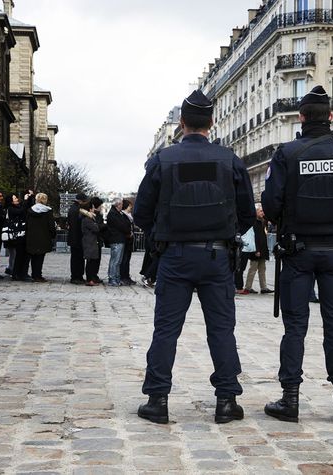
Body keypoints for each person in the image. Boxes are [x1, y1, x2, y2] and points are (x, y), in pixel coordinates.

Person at [133, 90, 256, 424]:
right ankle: (227, 401)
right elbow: (248, 213)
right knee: (221, 330)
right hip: (217, 255)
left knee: (166, 330)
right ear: (211, 123)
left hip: (174, 256)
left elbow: (141, 213)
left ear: (182, 124)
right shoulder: (229, 159)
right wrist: (225, 229)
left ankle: (157, 400)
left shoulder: (163, 160)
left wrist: (166, 229)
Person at [261, 85, 333, 425]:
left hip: (297, 251)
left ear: (301, 117)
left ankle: (290, 399)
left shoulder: (287, 153)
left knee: (295, 327)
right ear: (332, 117)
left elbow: (270, 204)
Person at [25, 193, 56, 283]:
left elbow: (27, 224)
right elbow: (51, 225)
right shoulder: (48, 211)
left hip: (31, 237)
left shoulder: (30, 210)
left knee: (33, 257)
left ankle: (34, 274)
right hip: (44, 237)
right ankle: (38, 275)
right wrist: (52, 234)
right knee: (40, 258)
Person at [244, 206, 273, 294]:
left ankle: (263, 287)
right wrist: (256, 250)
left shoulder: (262, 222)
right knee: (253, 269)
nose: (262, 213)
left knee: (262, 269)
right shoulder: (254, 223)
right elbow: (254, 238)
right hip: (256, 249)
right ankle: (248, 287)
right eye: (260, 211)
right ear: (256, 212)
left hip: (263, 249)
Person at [106, 198, 132, 286]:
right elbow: (122, 226)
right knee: (115, 261)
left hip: (119, 239)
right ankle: (112, 278)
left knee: (118, 261)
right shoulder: (113, 214)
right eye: (121, 204)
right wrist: (128, 230)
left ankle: (116, 278)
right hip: (116, 239)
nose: (122, 205)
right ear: (117, 205)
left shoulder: (116, 213)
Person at [9, 192, 31, 281]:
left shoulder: (19, 207)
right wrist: (25, 200)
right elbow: (21, 211)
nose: (17, 199)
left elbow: (24, 208)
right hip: (17, 235)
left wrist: (29, 197)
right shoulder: (11, 209)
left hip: (22, 234)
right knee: (19, 255)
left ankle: (21, 272)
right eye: (15, 198)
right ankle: (16, 273)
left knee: (23, 255)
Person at [67, 193, 89, 284]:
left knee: (77, 258)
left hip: (75, 237)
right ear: (81, 201)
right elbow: (78, 225)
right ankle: (76, 276)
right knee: (77, 258)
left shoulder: (74, 208)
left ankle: (78, 276)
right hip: (77, 238)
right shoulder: (78, 210)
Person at [81, 200, 102, 286]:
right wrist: (97, 225)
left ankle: (91, 278)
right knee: (90, 261)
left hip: (92, 241)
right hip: (89, 242)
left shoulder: (90, 218)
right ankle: (89, 279)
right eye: (93, 208)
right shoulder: (87, 219)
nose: (94, 209)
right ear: (89, 209)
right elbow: (96, 228)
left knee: (93, 261)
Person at [120, 199, 136, 285]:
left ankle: (127, 276)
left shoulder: (129, 216)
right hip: (126, 240)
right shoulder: (123, 215)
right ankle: (123, 276)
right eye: (130, 206)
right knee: (124, 260)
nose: (131, 207)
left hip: (129, 241)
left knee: (127, 260)